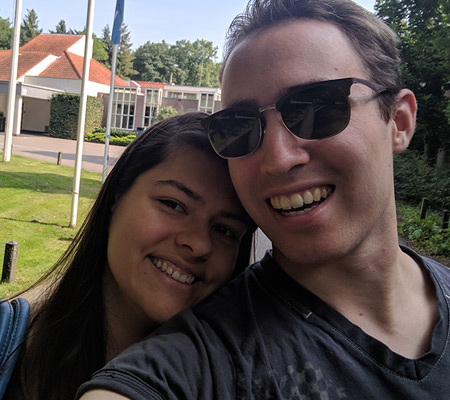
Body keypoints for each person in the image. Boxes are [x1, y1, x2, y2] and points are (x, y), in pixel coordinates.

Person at [77, 0, 450, 399]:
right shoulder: (201, 360)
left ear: (399, 121)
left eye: (316, 108)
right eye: (240, 127)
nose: (278, 159)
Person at [2, 112, 256, 400]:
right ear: (116, 198)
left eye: (224, 230)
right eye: (173, 204)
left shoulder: (236, 382)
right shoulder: (7, 343)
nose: (199, 244)